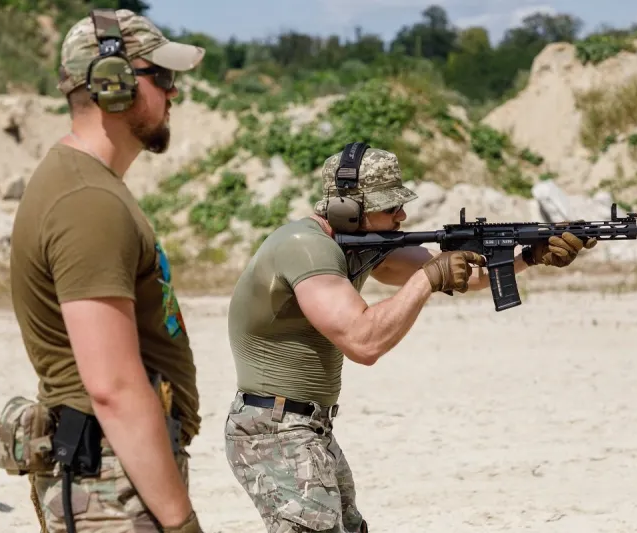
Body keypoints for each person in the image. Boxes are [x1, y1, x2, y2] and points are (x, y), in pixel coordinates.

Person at [223, 143, 597, 532]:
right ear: (347, 209)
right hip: (272, 431)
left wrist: (528, 257)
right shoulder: (305, 248)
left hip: (306, 426)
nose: (402, 215)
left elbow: (462, 275)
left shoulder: (356, 245)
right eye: (390, 207)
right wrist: (427, 279)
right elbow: (363, 342)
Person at [0, 8, 207, 533]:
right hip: (111, 485)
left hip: (115, 472)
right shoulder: (88, 201)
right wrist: (181, 521)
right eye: (161, 77)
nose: (173, 93)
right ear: (112, 85)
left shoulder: (86, 186)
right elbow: (111, 384)